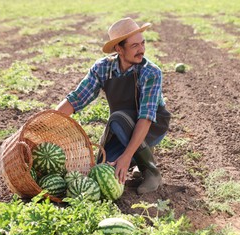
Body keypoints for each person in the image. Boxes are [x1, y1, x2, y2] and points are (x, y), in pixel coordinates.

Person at [56, 17, 171, 194]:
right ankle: (137, 156)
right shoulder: (102, 68)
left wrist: (125, 157)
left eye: (142, 43)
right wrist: (49, 122)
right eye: (134, 46)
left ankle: (150, 170)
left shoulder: (151, 72)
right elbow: (76, 99)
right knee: (103, 166)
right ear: (119, 49)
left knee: (118, 118)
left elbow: (146, 117)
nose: (141, 50)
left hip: (152, 126)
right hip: (122, 127)